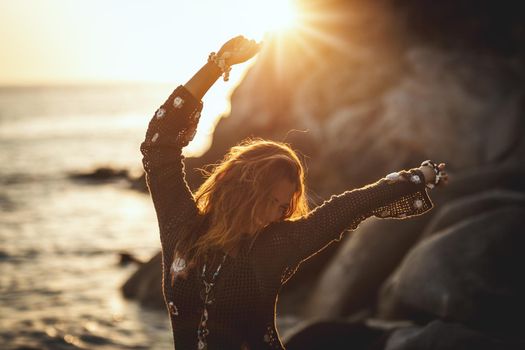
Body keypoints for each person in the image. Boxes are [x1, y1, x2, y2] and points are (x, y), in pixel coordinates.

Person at [140, 35, 448, 350]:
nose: (278, 213)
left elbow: (348, 207)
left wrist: (417, 178)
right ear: (243, 188)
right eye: (272, 201)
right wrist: (217, 66)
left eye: (284, 206)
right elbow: (158, 145)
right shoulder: (181, 226)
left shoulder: (276, 245)